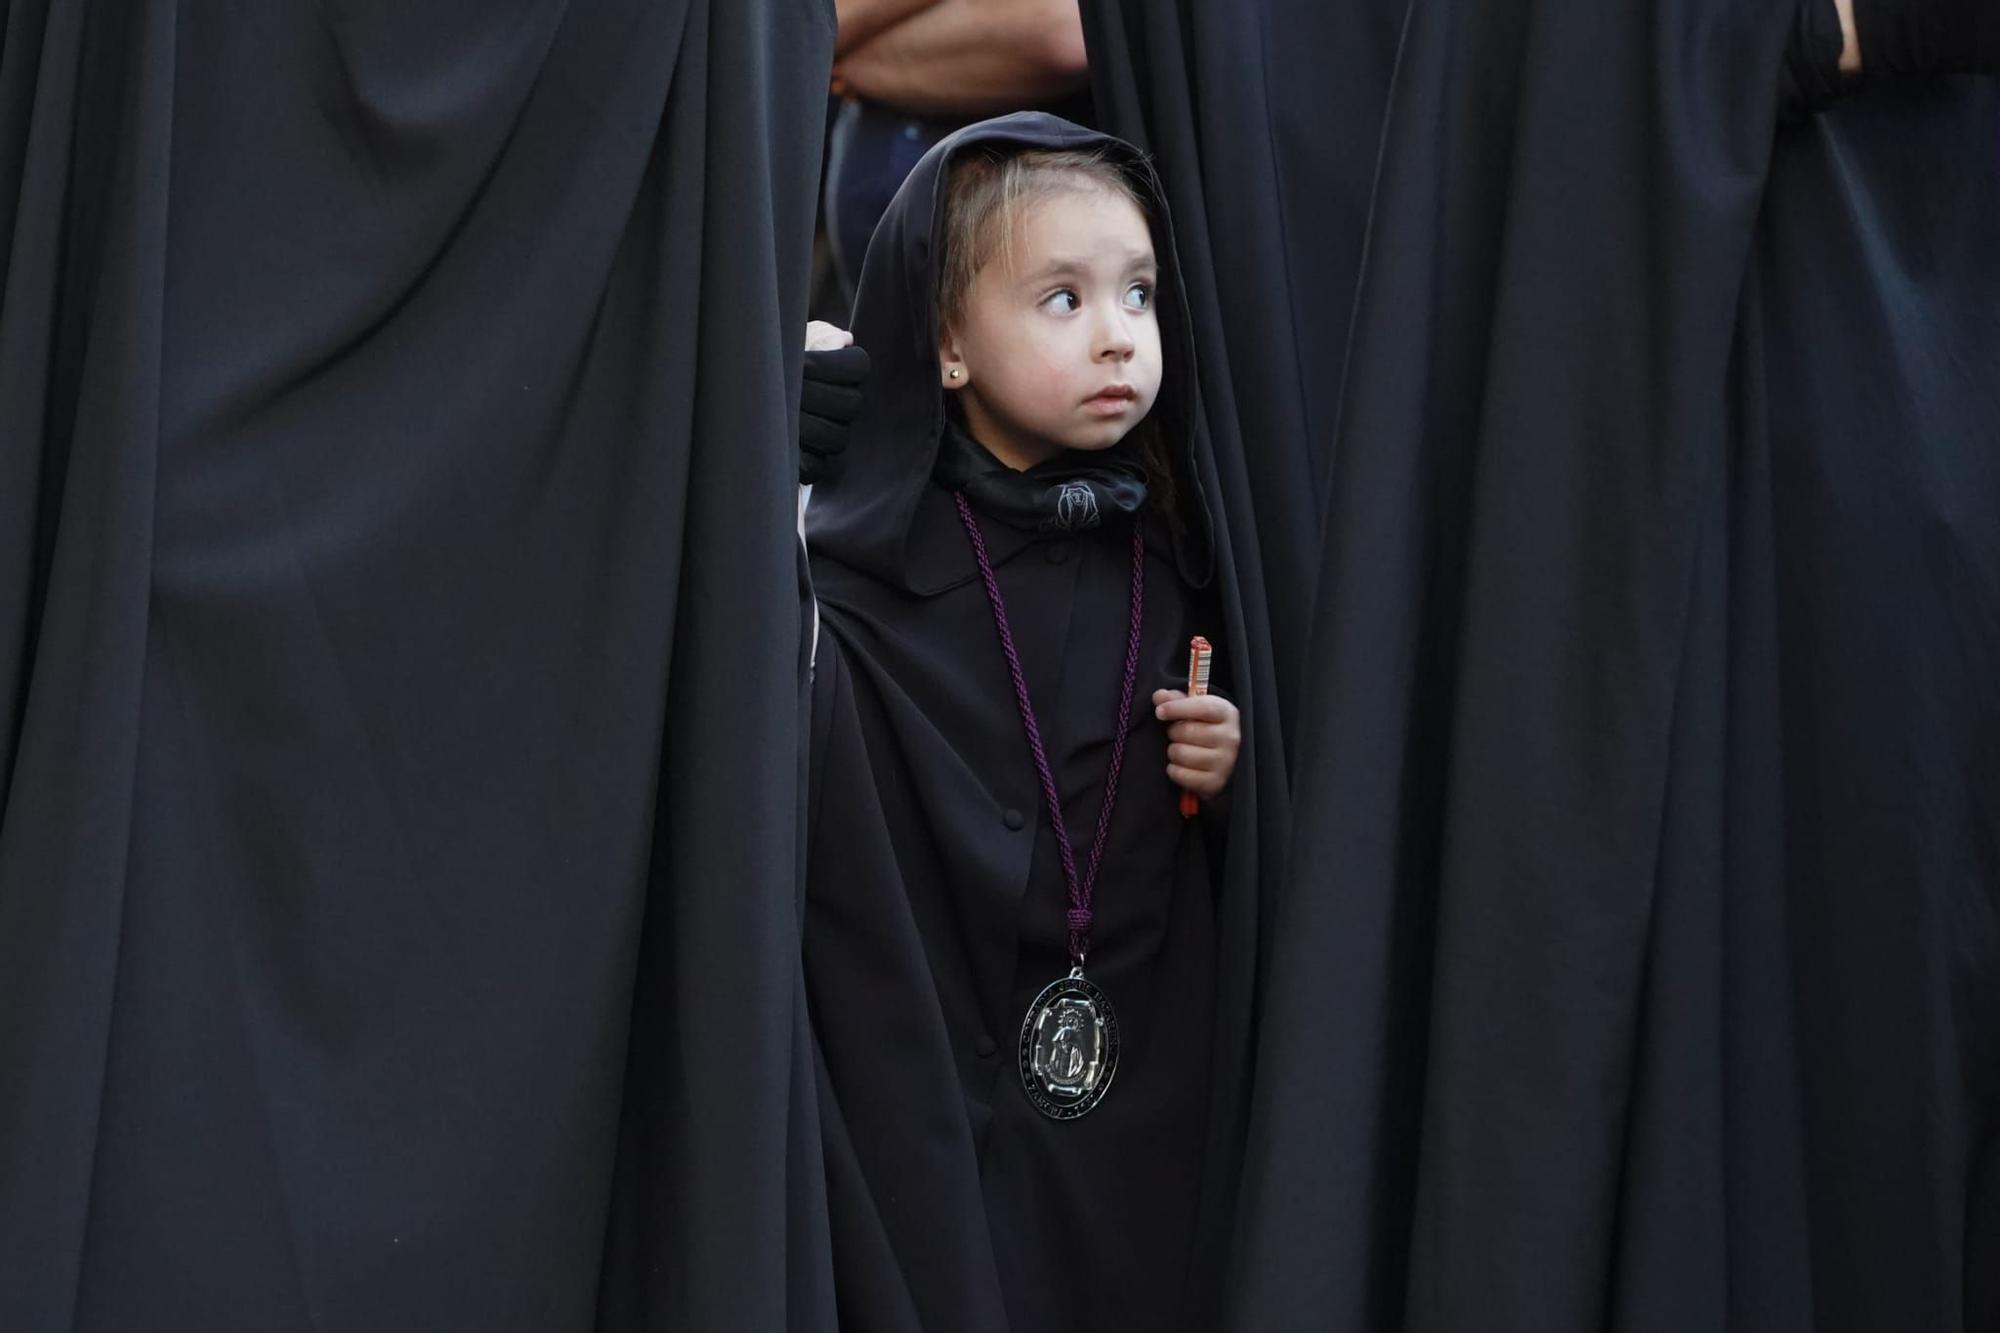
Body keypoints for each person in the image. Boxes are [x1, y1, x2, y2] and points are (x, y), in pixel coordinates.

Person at [798, 112, 1269, 1333]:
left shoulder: (1186, 566)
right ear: (946, 342)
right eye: (1060, 301)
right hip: (932, 1107)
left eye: (1137, 294)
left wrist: (1223, 767)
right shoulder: (862, 579)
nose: (1117, 335)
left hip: (1135, 1124)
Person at [822, 0, 1092, 304]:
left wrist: (838, 61)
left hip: (1021, 205)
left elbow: (1061, 29)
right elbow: (816, 18)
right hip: (877, 183)